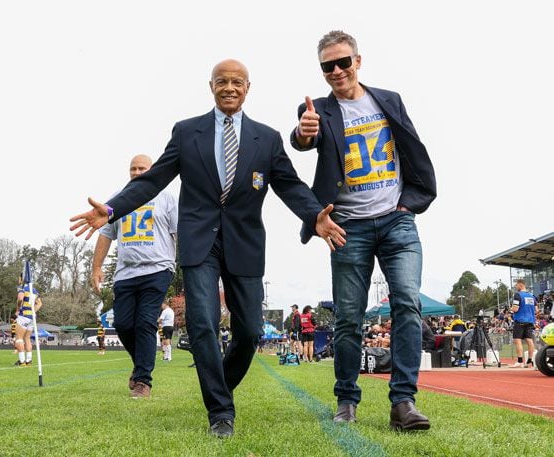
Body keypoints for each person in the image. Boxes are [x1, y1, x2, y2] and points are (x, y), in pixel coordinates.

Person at [70, 59, 342, 437]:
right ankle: (220, 412)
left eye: (237, 82)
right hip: (200, 243)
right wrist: (113, 208)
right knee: (202, 324)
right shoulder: (187, 133)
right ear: (210, 86)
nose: (229, 88)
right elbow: (152, 182)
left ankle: (219, 386)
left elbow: (290, 185)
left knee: (248, 332)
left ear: (248, 88)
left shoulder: (267, 138)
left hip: (245, 244)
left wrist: (315, 217)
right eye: (221, 82)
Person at [290, 30, 436, 430]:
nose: (337, 71)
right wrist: (304, 133)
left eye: (343, 62)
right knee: (349, 318)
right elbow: (305, 137)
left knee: (407, 302)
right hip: (347, 228)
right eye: (328, 66)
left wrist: (411, 200)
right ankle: (346, 401)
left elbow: (412, 147)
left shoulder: (389, 99)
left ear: (358, 61)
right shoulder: (319, 109)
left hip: (396, 220)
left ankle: (403, 402)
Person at [90, 154, 178, 398]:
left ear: (153, 170)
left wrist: (190, 267)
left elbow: (179, 232)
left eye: (142, 168)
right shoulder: (119, 199)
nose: (137, 172)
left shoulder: (167, 197)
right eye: (133, 169)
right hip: (125, 273)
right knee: (123, 324)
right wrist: (96, 267)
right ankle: (140, 364)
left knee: (145, 322)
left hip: (158, 268)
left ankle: (143, 381)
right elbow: (106, 233)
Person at [15, 273, 43, 367]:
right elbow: (39, 304)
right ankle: (29, 361)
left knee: (19, 338)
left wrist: (18, 309)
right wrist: (33, 311)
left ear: (22, 279)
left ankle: (22, 361)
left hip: (23, 316)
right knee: (27, 339)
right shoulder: (34, 290)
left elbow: (20, 298)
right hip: (32, 317)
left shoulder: (22, 288)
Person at [509, 279, 538, 368]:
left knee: (517, 340)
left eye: (516, 285)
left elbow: (515, 308)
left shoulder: (518, 295)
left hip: (520, 320)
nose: (515, 287)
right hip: (530, 321)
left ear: (520, 285)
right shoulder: (532, 296)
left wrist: (509, 311)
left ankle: (520, 361)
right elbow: (536, 310)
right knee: (529, 340)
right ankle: (530, 360)